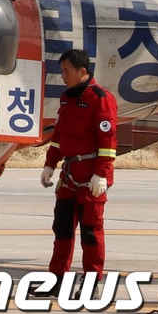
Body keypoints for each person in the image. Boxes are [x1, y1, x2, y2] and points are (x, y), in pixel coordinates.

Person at [39, 48, 118, 292]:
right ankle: (57, 280)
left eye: (66, 71)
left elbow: (108, 140)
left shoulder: (101, 98)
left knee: (91, 232)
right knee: (62, 229)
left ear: (82, 72)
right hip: (70, 175)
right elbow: (59, 135)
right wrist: (50, 164)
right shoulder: (67, 98)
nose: (62, 75)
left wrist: (101, 174)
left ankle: (92, 282)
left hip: (91, 177)